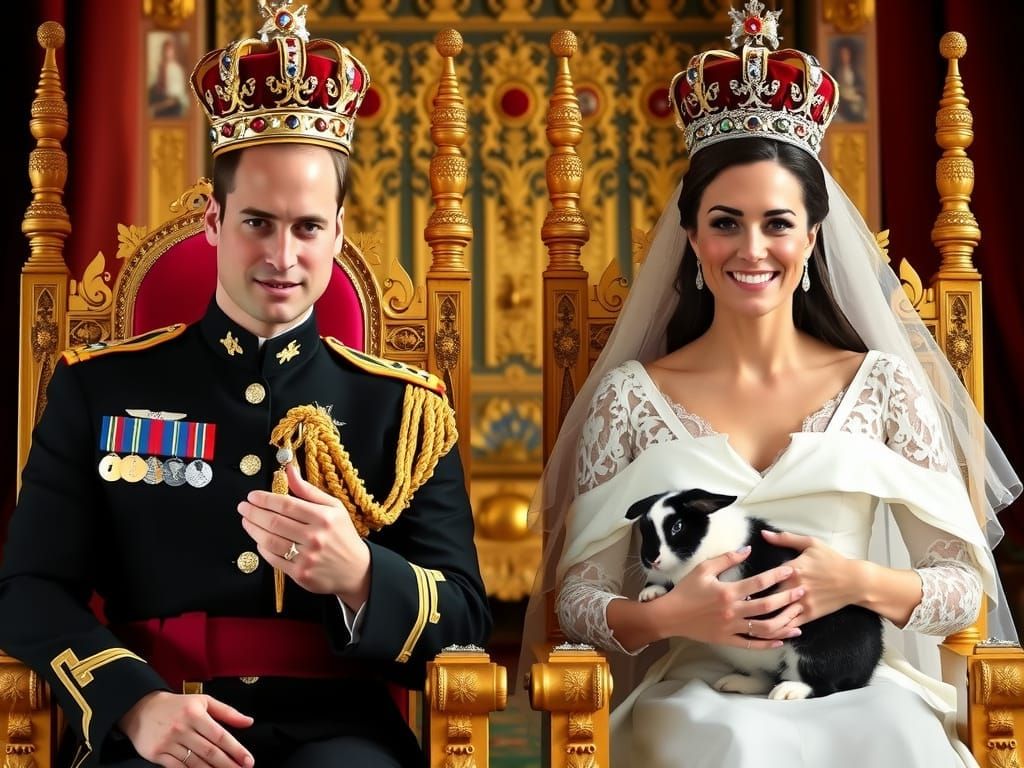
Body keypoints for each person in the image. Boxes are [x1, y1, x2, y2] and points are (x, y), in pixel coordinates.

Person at [520, 3, 1021, 767]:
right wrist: (673, 617)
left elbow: (960, 588)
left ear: (813, 237)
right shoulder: (629, 399)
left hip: (854, 685)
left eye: (777, 223)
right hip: (700, 692)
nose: (751, 249)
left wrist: (853, 581)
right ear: (692, 238)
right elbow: (578, 601)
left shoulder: (881, 387)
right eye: (726, 222)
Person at [0, 4, 490, 767]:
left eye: (307, 227)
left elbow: (464, 618)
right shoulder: (99, 388)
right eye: (258, 222)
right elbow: (30, 588)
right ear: (213, 220)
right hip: (163, 719)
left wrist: (363, 576)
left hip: (342, 734)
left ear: (338, 231)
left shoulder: (404, 409)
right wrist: (133, 703)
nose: (282, 257)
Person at [148, 34, 187, 119]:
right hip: (160, 99)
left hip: (172, 103)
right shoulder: (158, 68)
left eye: (169, 50)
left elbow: (178, 96)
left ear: (173, 52)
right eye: (165, 50)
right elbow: (154, 87)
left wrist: (162, 105)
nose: (166, 53)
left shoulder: (177, 70)